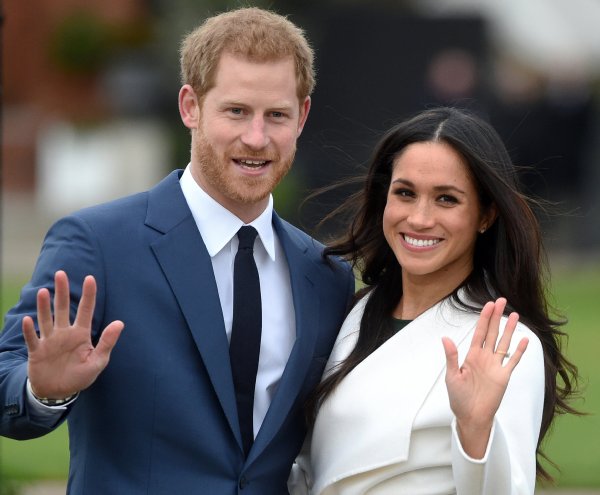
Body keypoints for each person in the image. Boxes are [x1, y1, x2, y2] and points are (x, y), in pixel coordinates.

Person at [0, 7, 355, 494]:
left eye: (276, 115)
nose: (257, 137)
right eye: (236, 111)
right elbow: (7, 387)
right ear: (190, 106)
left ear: (303, 116)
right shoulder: (98, 244)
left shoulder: (326, 275)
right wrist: (43, 391)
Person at [288, 107, 578, 494]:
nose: (420, 218)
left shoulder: (504, 343)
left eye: (446, 199)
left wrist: (475, 430)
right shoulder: (354, 311)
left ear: (486, 215)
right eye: (405, 193)